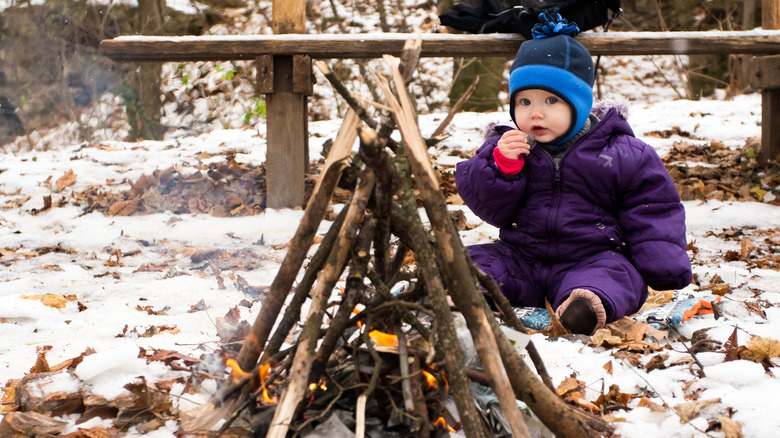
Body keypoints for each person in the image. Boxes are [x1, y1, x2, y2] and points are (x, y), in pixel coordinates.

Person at [455, 12, 692, 335]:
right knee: (473, 262)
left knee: (619, 275)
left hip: (591, 258)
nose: (535, 112)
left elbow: (653, 208)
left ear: (578, 104)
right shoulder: (505, 147)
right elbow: (489, 209)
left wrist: (664, 265)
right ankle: (472, 293)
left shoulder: (623, 153)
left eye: (551, 100)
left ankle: (582, 308)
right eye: (524, 101)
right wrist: (502, 168)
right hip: (522, 257)